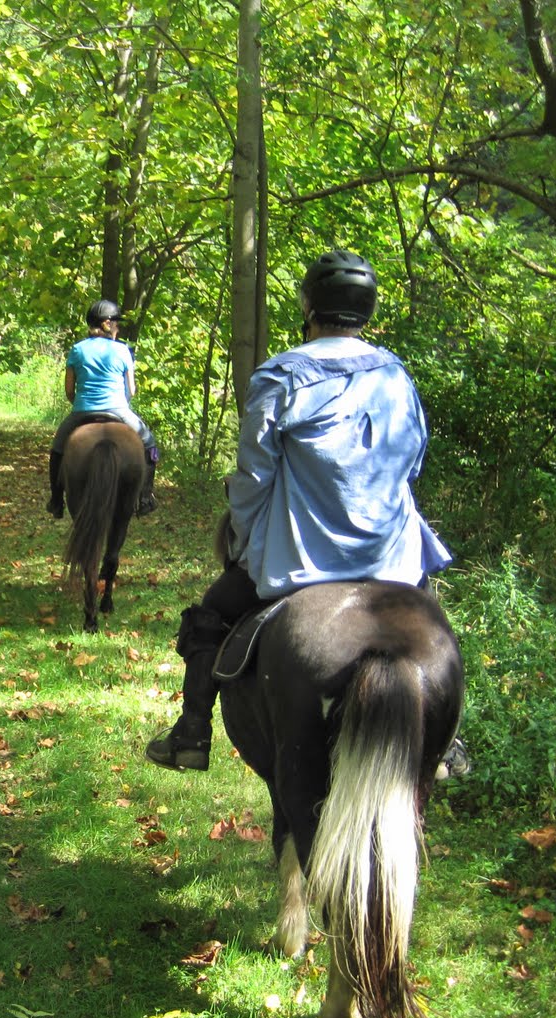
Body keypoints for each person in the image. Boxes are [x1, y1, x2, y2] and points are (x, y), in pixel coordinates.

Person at [145, 249, 455, 771]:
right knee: (433, 629)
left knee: (213, 613)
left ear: (308, 307)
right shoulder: (397, 376)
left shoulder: (281, 377)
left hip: (303, 559)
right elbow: (413, 460)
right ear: (369, 310)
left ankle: (192, 731)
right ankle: (447, 740)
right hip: (391, 558)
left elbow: (252, 478)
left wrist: (245, 539)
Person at [47, 298, 160, 519]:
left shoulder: (77, 350)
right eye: (116, 323)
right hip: (118, 410)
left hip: (82, 411)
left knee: (58, 449)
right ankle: (145, 498)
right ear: (106, 324)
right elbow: (132, 390)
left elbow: (69, 390)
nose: (118, 328)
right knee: (150, 445)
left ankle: (56, 499)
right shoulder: (122, 350)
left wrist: (82, 405)